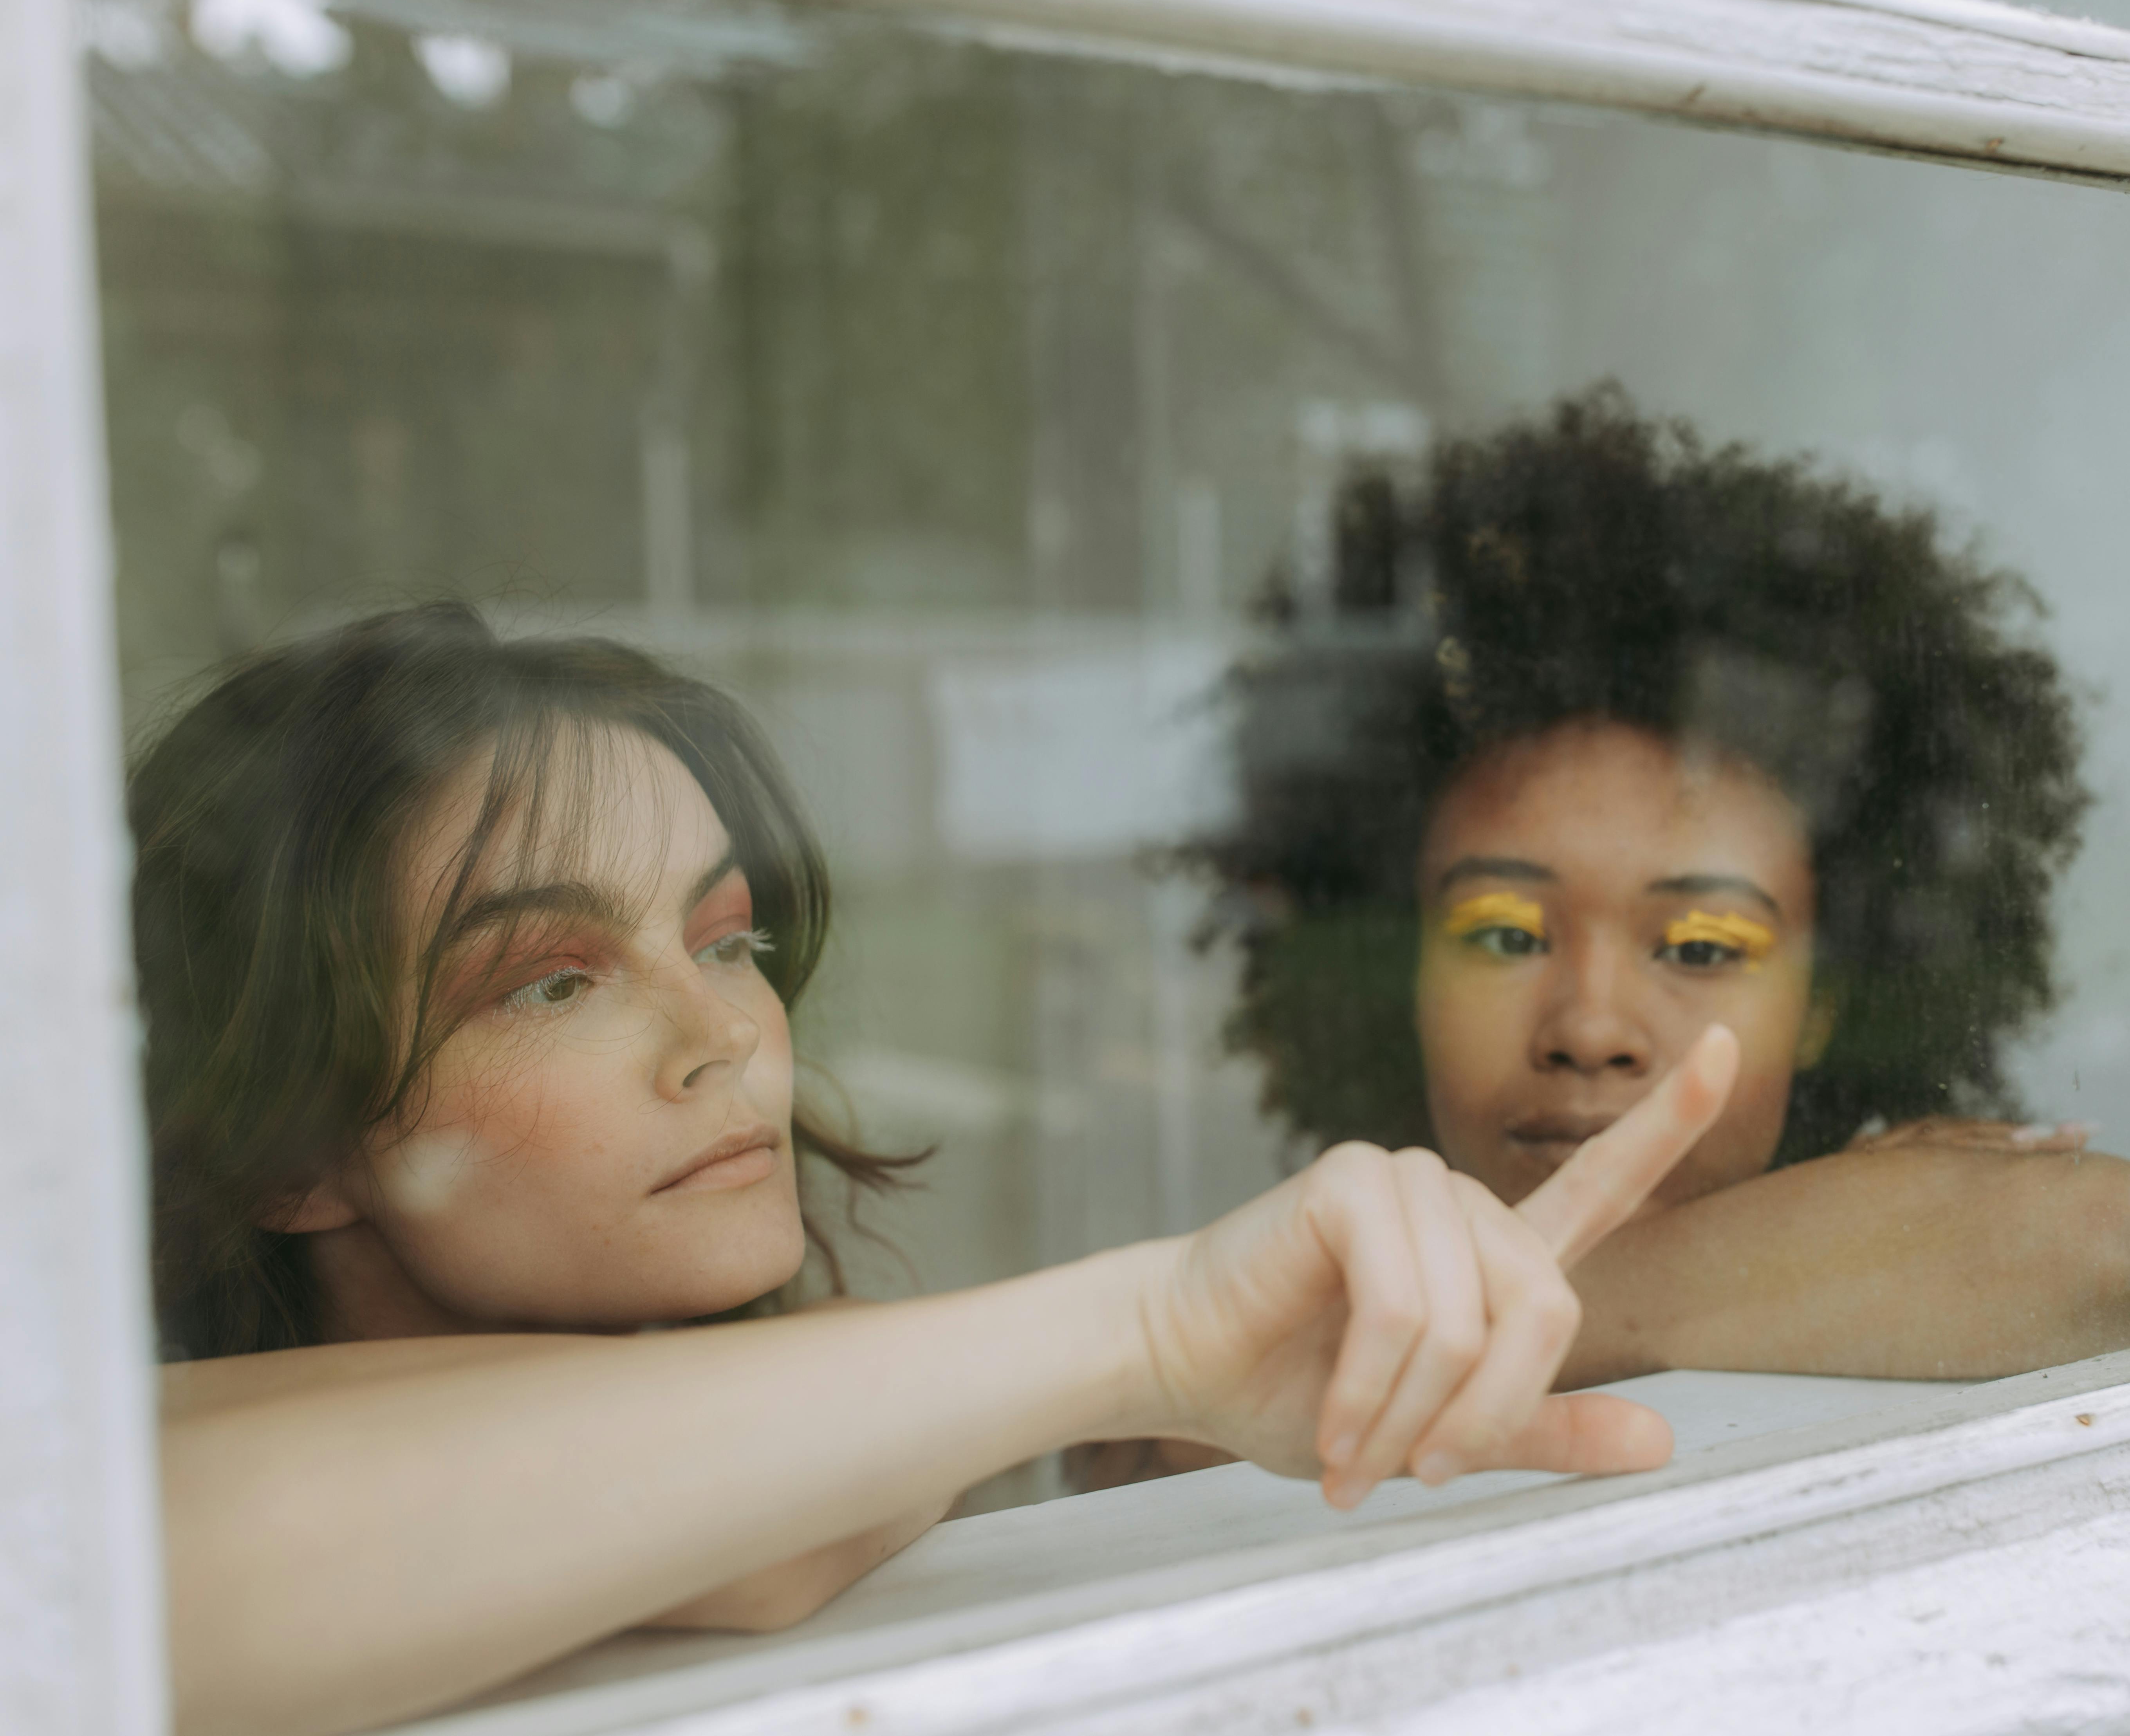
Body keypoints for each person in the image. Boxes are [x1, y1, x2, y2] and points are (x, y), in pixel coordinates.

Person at [141, 603, 1742, 1736]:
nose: (727, 1039)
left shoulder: (855, 1442)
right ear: (286, 1145)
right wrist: (1144, 1335)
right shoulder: (113, 1485)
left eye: (730, 939)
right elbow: (163, 1570)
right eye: (551, 979)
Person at [1186, 386, 2130, 1389]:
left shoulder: (1291, 1349)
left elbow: (2101, 1241)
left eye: (1700, 945)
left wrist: (1425, 1330)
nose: (1588, 1026)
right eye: (1501, 934)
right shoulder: (1222, 1370)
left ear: (1823, 1007)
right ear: (1400, 977)